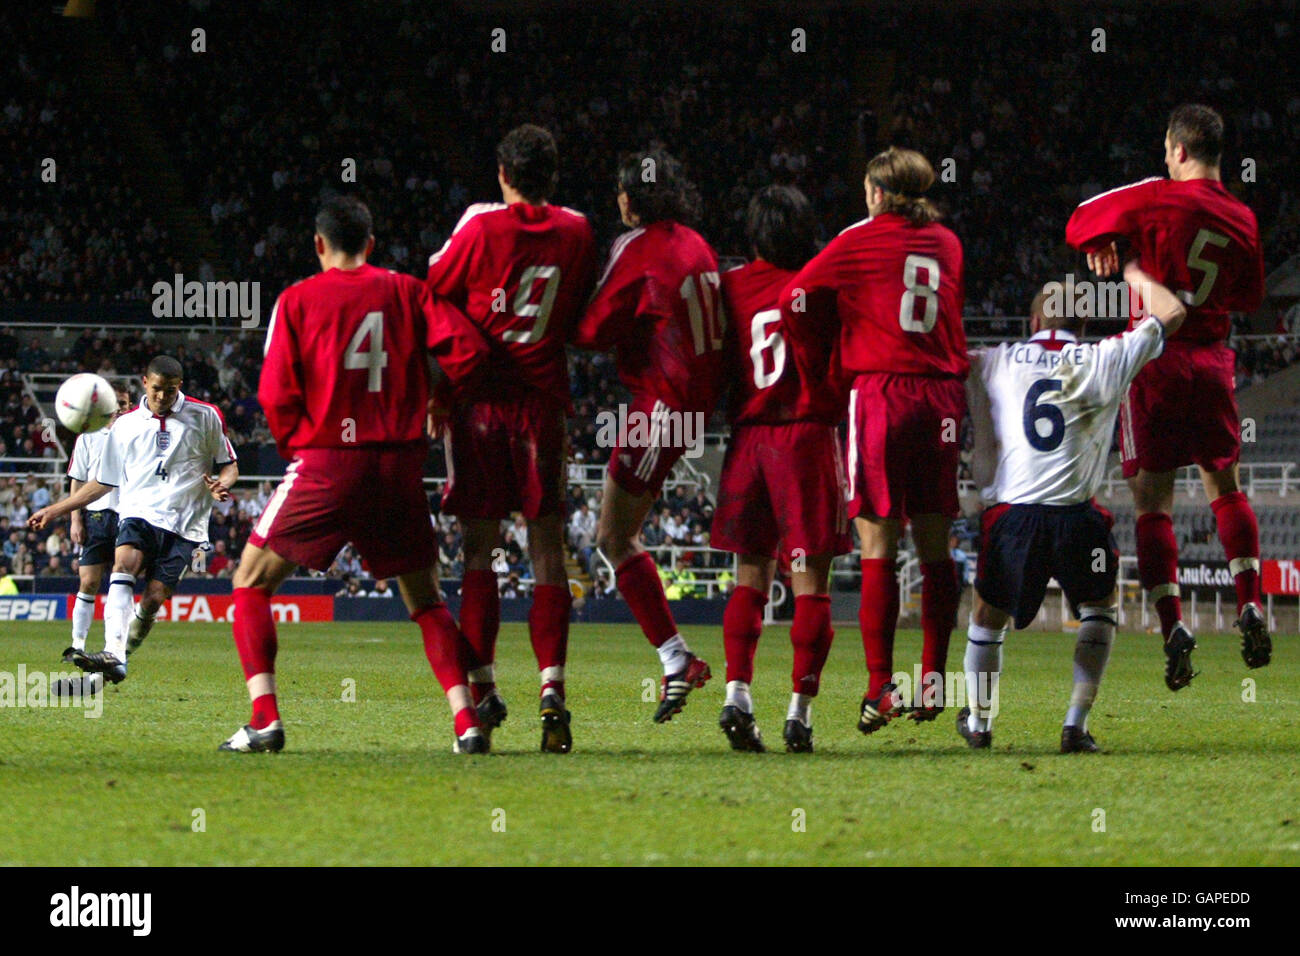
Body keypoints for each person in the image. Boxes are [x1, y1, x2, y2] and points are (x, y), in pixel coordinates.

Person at [220, 195, 490, 754]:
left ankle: (265, 721)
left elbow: (273, 391)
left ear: (319, 244)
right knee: (427, 602)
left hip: (327, 463)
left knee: (248, 583)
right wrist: (443, 395)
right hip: (398, 465)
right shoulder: (409, 291)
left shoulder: (296, 299)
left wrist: (303, 445)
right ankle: (467, 723)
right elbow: (469, 351)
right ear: (370, 244)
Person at [1065, 104, 1269, 687]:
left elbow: (1079, 218)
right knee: (1223, 488)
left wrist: (1112, 248)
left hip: (1153, 359)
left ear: (1178, 150)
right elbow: (1251, 296)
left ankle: (1172, 624)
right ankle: (1250, 602)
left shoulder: (1156, 195)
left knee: (1152, 504)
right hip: (1211, 363)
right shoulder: (1243, 219)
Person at [781, 146, 968, 734]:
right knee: (935, 542)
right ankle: (933, 681)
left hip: (882, 395)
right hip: (941, 396)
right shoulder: (949, 243)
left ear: (879, 193)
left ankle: (880, 685)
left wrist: (831, 347)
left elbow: (796, 298)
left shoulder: (860, 238)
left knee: (878, 543)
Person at [961, 263, 1187, 751]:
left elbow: (952, 363)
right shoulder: (1106, 355)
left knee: (986, 617)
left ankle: (979, 724)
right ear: (1084, 323)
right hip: (1077, 519)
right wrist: (1132, 272)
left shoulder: (998, 358)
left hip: (1014, 518)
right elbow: (1172, 312)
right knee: (1099, 610)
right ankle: (1075, 725)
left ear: (1034, 321)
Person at [426, 124, 596, 753]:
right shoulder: (578, 231)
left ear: (502, 173)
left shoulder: (479, 226)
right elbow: (578, 305)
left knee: (479, 552)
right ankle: (553, 688)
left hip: (480, 406)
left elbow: (434, 290)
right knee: (547, 548)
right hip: (542, 407)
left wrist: (441, 389)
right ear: (553, 176)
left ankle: (482, 687)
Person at [574, 148, 724, 723]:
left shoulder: (637, 246)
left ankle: (677, 659)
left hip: (661, 406)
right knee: (620, 535)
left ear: (628, 199)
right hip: (692, 409)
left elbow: (590, 328)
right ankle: (679, 660)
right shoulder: (698, 243)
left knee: (613, 537)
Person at [711, 185, 852, 754]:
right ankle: (799, 711)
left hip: (749, 441)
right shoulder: (822, 281)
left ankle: (737, 694)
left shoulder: (731, 286)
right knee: (810, 585)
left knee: (751, 576)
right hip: (806, 438)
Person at [30, 357, 239, 685]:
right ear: (145, 383)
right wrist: (55, 510)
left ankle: (117, 662)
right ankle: (112, 649)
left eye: (169, 391)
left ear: (179, 387)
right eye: (156, 389)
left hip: (186, 523)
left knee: (154, 598)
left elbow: (229, 464)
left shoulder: (205, 415)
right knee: (123, 563)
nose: (162, 397)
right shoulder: (125, 425)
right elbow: (102, 482)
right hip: (138, 512)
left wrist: (223, 484)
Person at [61, 385, 132, 685]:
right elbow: (77, 480)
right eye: (115, 403)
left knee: (121, 577)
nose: (119, 408)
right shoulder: (88, 436)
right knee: (89, 581)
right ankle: (77, 645)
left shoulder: (136, 433)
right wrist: (75, 518)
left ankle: (111, 649)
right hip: (97, 516)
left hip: (130, 515)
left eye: (124, 404)